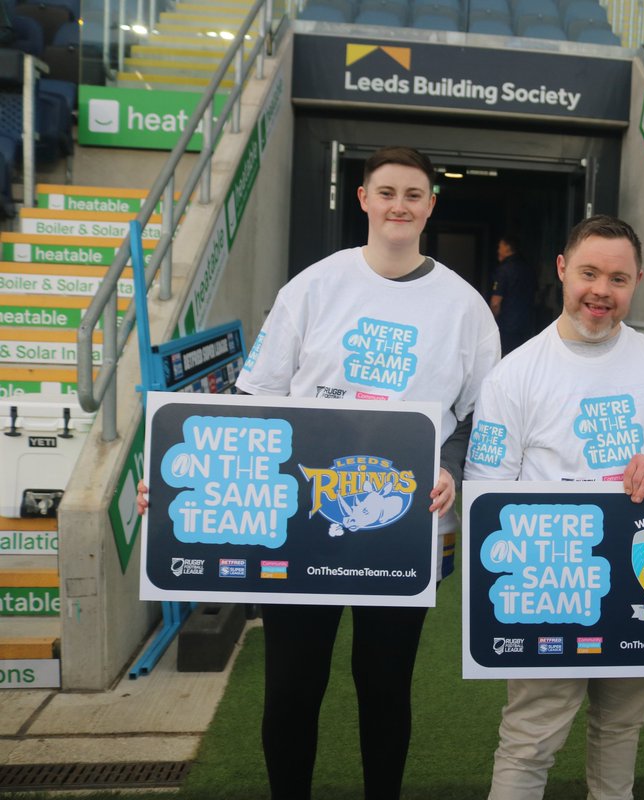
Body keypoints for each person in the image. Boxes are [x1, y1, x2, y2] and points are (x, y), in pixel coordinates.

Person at [141, 146, 500, 799]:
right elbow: (253, 405)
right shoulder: (313, 286)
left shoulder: (465, 307)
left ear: (430, 206)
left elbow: (479, 417)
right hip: (302, 525)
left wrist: (452, 470)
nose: (400, 205)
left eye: (414, 194)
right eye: (387, 191)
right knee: (291, 686)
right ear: (363, 199)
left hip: (403, 527)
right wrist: (178, 483)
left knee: (385, 684)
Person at [465, 214, 644, 800]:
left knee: (621, 728)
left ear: (638, 281)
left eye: (618, 279)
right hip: (549, 585)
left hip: (641, 579)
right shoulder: (513, 374)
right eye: (589, 274)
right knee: (529, 740)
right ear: (562, 271)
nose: (602, 291)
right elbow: (486, 489)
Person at [489, 233, 538, 354]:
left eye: (500, 247)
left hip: (507, 326)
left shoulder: (503, 270)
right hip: (527, 324)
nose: (498, 251)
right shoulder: (529, 268)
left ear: (507, 247)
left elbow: (496, 303)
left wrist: (491, 321)